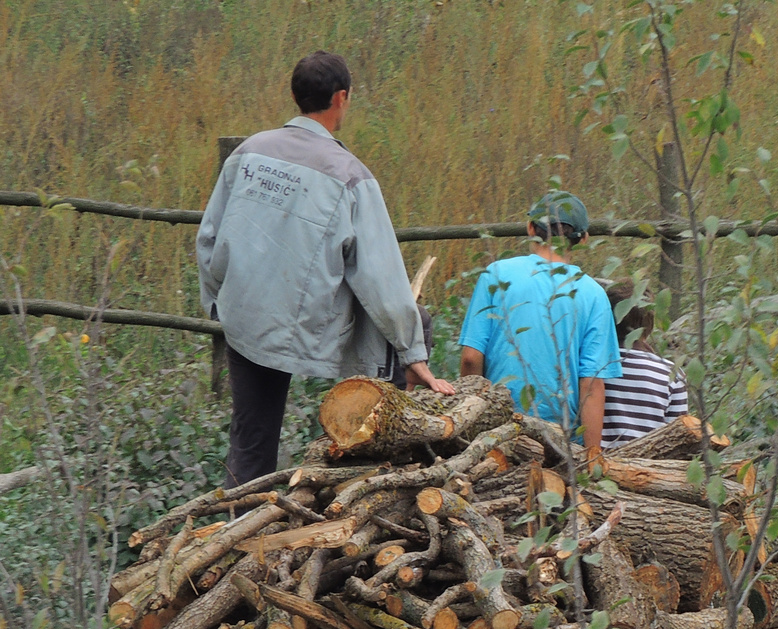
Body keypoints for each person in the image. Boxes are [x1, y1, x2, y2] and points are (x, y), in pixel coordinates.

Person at [196, 50, 453, 485]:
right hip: (313, 325)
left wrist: (219, 303)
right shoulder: (350, 175)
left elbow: (208, 240)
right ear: (341, 98)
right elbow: (380, 279)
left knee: (252, 442)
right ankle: (368, 473)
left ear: (296, 96)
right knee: (408, 330)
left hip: (249, 318)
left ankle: (236, 528)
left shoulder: (248, 153)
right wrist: (412, 352)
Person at [457, 191, 620, 459]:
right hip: (562, 442)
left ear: (531, 228)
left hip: (497, 434)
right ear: (583, 238)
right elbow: (591, 385)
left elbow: (471, 358)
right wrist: (591, 458)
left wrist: (470, 421)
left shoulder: (496, 274)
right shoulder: (593, 294)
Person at [600, 283, 688, 446]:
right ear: (650, 324)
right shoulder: (673, 374)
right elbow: (679, 439)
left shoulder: (591, 367)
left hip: (594, 465)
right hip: (649, 467)